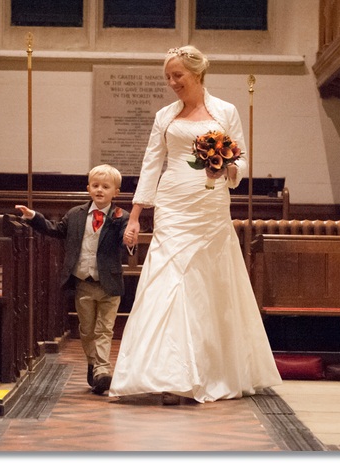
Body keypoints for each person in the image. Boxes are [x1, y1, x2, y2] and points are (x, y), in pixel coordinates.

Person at [108, 45, 282, 405]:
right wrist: (138, 215)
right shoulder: (164, 116)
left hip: (211, 204)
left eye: (178, 76)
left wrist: (227, 167)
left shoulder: (226, 112)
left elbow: (244, 160)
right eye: (168, 77)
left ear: (197, 74)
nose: (172, 83)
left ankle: (207, 368)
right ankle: (169, 372)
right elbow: (151, 164)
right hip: (173, 203)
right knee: (169, 279)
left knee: (206, 282)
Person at [15, 164, 131, 395]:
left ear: (115, 192)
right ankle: (93, 365)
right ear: (88, 188)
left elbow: (126, 239)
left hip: (109, 284)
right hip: (83, 283)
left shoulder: (121, 217)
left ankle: (102, 370)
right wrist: (33, 217)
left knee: (104, 330)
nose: (100, 190)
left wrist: (130, 239)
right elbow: (56, 230)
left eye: (105, 187)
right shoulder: (75, 215)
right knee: (87, 330)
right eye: (95, 186)